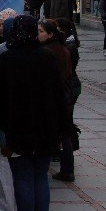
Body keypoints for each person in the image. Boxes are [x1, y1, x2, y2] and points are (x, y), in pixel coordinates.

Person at [0, 15, 69, 211]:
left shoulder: (7, 59)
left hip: (17, 128)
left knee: (22, 177)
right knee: (41, 177)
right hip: (46, 128)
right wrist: (63, 129)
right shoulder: (47, 57)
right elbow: (59, 95)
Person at [38, 19, 74, 182]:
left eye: (40, 31)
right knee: (64, 133)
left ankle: (66, 169)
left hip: (56, 97)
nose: (38, 35)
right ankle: (67, 168)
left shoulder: (49, 51)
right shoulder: (60, 48)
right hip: (64, 96)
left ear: (50, 34)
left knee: (61, 133)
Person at [55, 18, 81, 182]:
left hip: (67, 90)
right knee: (66, 125)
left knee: (64, 127)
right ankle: (65, 161)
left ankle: (66, 165)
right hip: (70, 88)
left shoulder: (66, 48)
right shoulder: (67, 46)